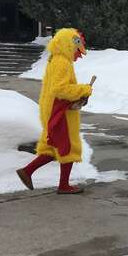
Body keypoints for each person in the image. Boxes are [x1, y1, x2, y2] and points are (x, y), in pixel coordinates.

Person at [16, 27, 94, 195]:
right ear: (69, 44)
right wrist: (84, 90)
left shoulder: (55, 60)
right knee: (68, 147)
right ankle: (64, 185)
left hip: (53, 109)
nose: (77, 54)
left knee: (53, 147)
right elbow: (61, 89)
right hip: (60, 112)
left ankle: (27, 171)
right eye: (76, 48)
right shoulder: (62, 62)